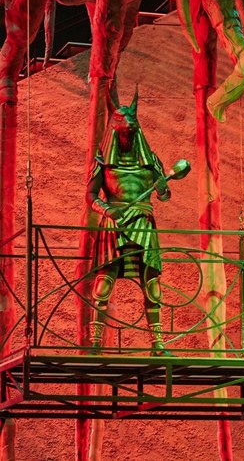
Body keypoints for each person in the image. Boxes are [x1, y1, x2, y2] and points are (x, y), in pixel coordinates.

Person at [86, 91, 173, 356]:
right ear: (114, 126)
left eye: (131, 119)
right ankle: (95, 344)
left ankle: (158, 344)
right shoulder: (103, 160)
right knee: (104, 283)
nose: (127, 125)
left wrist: (162, 187)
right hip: (115, 223)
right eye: (122, 120)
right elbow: (91, 195)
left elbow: (164, 195)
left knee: (152, 284)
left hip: (144, 222)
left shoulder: (150, 160)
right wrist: (107, 209)